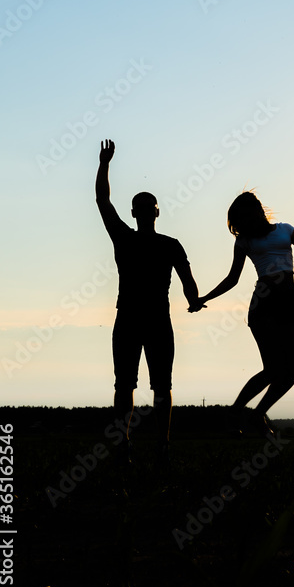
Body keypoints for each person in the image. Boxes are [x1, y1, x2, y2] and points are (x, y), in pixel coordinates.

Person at [196, 191, 294, 436]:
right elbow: (232, 278)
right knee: (273, 369)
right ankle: (236, 413)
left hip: (288, 303)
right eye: (242, 218)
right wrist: (204, 298)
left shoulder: (285, 230)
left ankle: (256, 415)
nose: (247, 221)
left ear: (259, 210)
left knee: (292, 372)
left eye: (249, 214)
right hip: (263, 305)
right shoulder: (244, 242)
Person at [96, 139, 201, 469]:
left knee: (153, 386)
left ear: (154, 212)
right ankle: (131, 445)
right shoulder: (131, 239)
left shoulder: (164, 244)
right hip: (134, 319)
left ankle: (155, 446)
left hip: (150, 321)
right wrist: (104, 164)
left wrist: (194, 299)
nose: (143, 211)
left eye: (147, 206)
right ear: (139, 213)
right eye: (140, 207)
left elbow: (188, 280)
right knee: (133, 386)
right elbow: (102, 201)